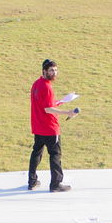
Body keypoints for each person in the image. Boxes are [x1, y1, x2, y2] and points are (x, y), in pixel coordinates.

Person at [28, 58, 79, 193]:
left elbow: (45, 104)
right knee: (55, 155)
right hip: (50, 128)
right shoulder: (47, 87)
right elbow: (48, 109)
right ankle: (56, 184)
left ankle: (32, 181)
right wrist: (68, 112)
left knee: (36, 153)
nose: (54, 73)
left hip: (38, 126)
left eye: (56, 70)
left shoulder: (36, 84)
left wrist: (62, 101)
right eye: (51, 70)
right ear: (44, 71)